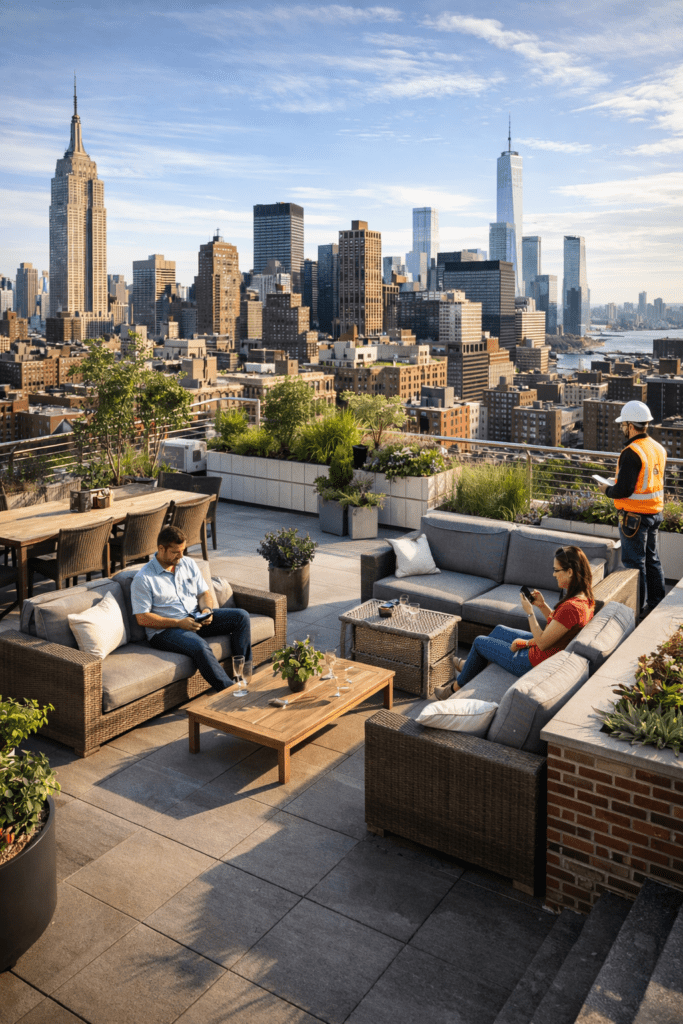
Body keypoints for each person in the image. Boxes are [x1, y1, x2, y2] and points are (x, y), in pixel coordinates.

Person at [434, 546, 595, 698]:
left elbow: (543, 643)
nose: (553, 574)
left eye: (556, 570)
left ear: (570, 572)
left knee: (479, 642)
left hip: (532, 662)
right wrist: (541, 605)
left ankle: (454, 689)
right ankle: (470, 666)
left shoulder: (572, 607)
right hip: (544, 653)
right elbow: (560, 626)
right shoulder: (585, 600)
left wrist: (530, 613)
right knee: (499, 630)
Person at [130, 524, 251, 692]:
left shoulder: (187, 563)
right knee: (199, 646)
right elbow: (142, 617)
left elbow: (204, 594)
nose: (180, 556)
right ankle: (229, 692)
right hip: (165, 631)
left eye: (183, 550)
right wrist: (179, 623)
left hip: (195, 619)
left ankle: (243, 678)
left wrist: (206, 611)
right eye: (175, 552)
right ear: (161, 548)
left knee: (241, 617)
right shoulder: (143, 578)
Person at [596, 400, 666, 616]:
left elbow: (624, 490)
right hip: (654, 512)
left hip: (634, 517)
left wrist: (606, 490)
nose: (621, 429)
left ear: (630, 425)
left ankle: (635, 611)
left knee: (635, 565)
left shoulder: (631, 451)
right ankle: (655, 603)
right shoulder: (658, 448)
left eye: (623, 425)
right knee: (652, 560)